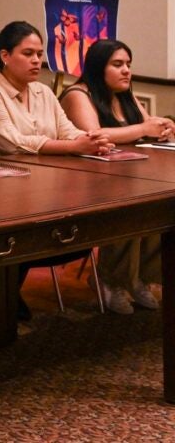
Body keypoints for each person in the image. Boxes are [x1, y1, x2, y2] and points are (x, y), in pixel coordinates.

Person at [0, 21, 111, 320]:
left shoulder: (43, 92)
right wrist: (73, 147)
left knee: (78, 237)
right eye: (28, 53)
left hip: (41, 179)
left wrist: (89, 139)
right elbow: (12, 143)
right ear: (5, 56)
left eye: (39, 53)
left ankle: (2, 282)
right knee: (29, 233)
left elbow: (66, 129)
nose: (37, 60)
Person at [59, 39, 170, 313]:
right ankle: (112, 279)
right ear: (99, 67)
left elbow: (147, 127)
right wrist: (144, 128)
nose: (126, 71)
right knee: (131, 206)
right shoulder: (78, 94)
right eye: (118, 64)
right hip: (86, 180)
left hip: (132, 173)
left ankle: (140, 277)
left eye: (128, 65)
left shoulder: (124, 94)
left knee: (163, 204)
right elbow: (95, 135)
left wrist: (164, 127)